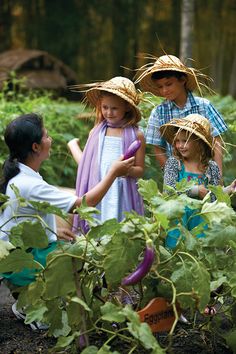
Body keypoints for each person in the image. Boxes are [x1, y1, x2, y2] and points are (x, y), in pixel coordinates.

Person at [0, 113, 135, 289]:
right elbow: (82, 205)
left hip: (16, 256)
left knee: (72, 247)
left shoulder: (19, 173)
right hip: (22, 264)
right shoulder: (30, 184)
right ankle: (30, 298)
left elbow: (25, 220)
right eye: (46, 136)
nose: (51, 139)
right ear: (35, 147)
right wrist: (113, 173)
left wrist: (52, 232)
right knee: (86, 259)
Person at [69, 76, 145, 233]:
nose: (109, 113)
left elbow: (140, 170)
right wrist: (74, 146)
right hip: (98, 188)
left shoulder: (137, 135)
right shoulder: (96, 133)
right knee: (97, 227)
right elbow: (87, 165)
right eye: (105, 107)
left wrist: (126, 171)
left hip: (121, 190)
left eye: (114, 108)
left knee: (120, 230)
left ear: (127, 107)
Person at [135, 54, 227, 175]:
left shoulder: (204, 106)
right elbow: (158, 149)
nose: (164, 90)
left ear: (182, 80)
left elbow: (216, 142)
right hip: (178, 178)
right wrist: (174, 176)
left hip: (206, 173)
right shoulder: (159, 113)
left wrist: (217, 175)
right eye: (160, 86)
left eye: (168, 84)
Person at [159, 113, 235, 249]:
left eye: (185, 141)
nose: (180, 145)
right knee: (179, 253)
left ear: (199, 142)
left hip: (202, 222)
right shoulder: (174, 164)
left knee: (201, 255)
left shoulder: (212, 168)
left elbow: (213, 197)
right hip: (179, 221)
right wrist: (195, 191)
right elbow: (168, 193)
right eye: (178, 141)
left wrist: (227, 190)